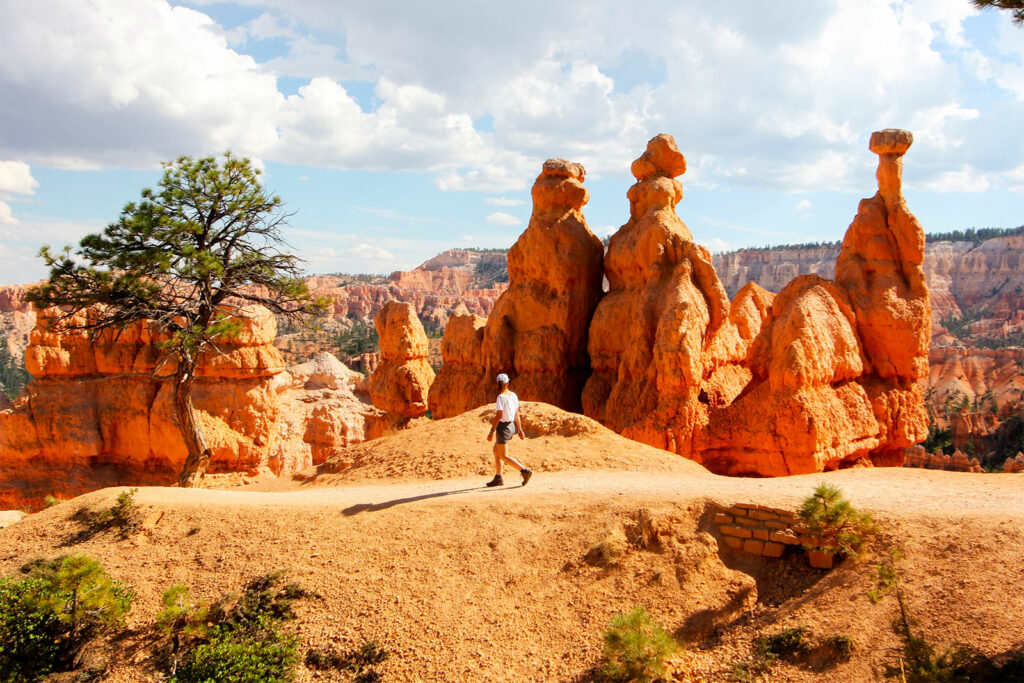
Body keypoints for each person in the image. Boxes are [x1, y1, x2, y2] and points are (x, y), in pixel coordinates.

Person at [485, 373, 532, 487]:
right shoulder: (513, 396)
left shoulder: (501, 397)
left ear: (498, 384)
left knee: (503, 455)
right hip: (511, 426)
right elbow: (516, 415)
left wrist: (492, 431)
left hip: (503, 427)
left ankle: (524, 471)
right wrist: (520, 430)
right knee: (496, 451)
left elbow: (499, 415)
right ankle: (498, 477)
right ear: (508, 383)